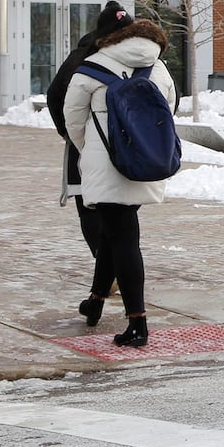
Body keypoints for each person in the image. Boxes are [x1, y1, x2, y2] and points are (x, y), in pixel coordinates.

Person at [62, 17, 177, 348]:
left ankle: (137, 323)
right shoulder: (159, 68)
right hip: (143, 162)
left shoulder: (91, 68)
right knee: (115, 231)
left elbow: (73, 119)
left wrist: (93, 151)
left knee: (123, 235)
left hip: (105, 163)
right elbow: (167, 111)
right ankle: (95, 300)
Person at [46, 1, 135, 326]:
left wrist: (74, 134)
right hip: (132, 153)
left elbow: (56, 94)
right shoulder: (142, 54)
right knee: (122, 221)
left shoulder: (87, 54)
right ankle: (110, 286)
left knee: (91, 209)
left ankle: (105, 273)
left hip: (90, 147)